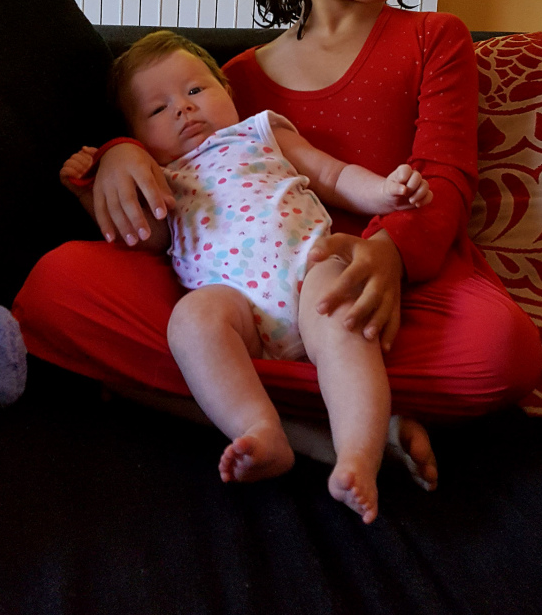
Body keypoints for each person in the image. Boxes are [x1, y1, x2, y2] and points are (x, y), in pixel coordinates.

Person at [13, 0, 542, 498]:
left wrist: (388, 254)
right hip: (245, 298)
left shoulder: (435, 39)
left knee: (503, 349)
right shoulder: (233, 80)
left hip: (394, 289)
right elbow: (186, 162)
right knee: (54, 289)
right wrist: (118, 151)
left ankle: (204, 396)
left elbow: (445, 177)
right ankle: (324, 427)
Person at [61, 30, 433, 522]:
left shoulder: (258, 133)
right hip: (236, 310)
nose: (182, 109)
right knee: (190, 321)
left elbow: (333, 175)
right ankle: (259, 429)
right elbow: (142, 236)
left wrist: (384, 192)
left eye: (195, 90)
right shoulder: (162, 175)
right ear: (136, 134)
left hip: (310, 271)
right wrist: (89, 196)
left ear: (227, 91)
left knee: (341, 312)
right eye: (157, 110)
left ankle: (357, 456)